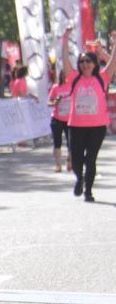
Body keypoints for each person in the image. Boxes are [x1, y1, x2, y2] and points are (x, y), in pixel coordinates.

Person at [61, 27, 116, 202]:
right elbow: (64, 60)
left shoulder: (102, 77)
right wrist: (65, 39)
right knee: (76, 160)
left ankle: (88, 192)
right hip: (76, 126)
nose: (85, 64)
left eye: (88, 61)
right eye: (82, 61)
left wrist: (114, 43)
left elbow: (113, 62)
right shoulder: (74, 77)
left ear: (94, 63)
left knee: (90, 159)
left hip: (97, 126)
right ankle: (80, 179)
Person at [48, 71, 73, 173]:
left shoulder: (72, 86)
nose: (65, 77)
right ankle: (58, 164)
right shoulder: (55, 87)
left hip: (70, 120)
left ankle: (70, 161)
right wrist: (56, 101)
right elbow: (49, 103)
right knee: (57, 142)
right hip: (57, 118)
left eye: (66, 75)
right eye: (63, 75)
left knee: (71, 143)